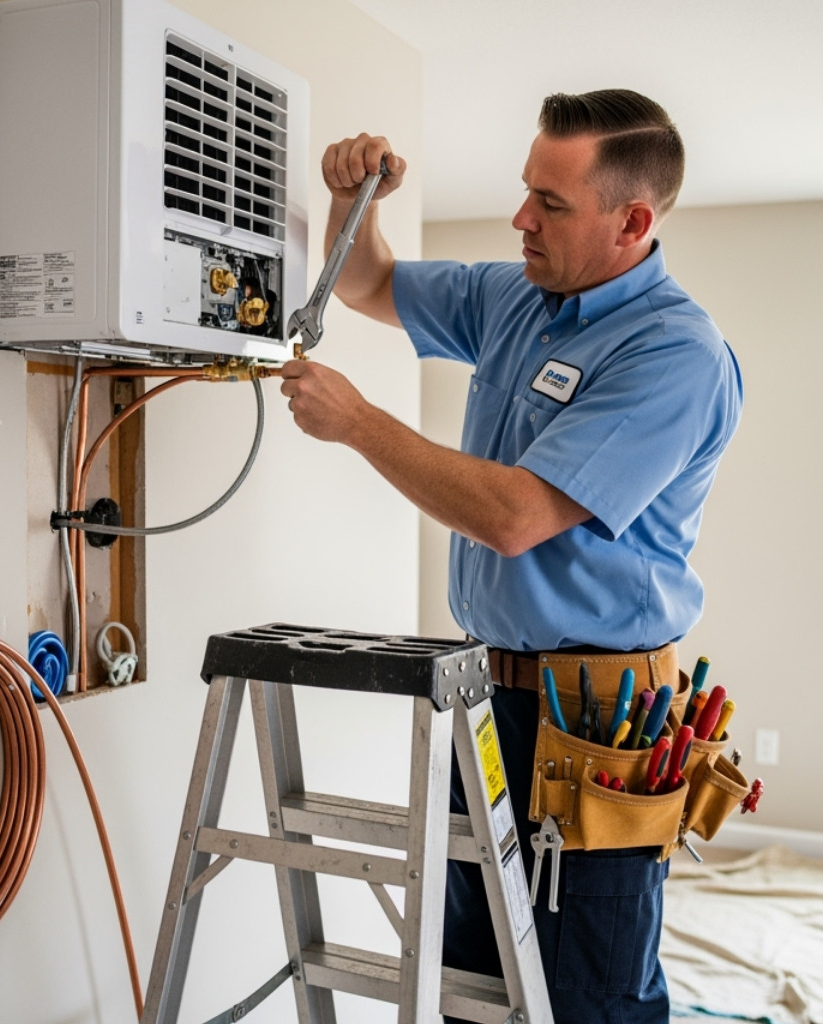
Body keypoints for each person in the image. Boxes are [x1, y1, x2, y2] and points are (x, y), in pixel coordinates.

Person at [279, 89, 742, 1024]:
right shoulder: (514, 296)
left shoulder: (674, 355)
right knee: (475, 979)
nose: (521, 219)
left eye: (552, 205)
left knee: (583, 995)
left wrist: (360, 423)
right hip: (485, 697)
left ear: (632, 221)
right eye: (527, 190)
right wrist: (349, 198)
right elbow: (369, 284)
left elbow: (518, 517)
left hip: (598, 726)